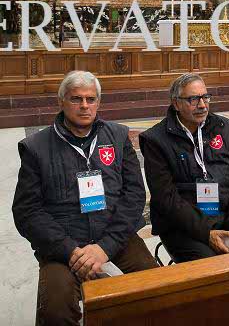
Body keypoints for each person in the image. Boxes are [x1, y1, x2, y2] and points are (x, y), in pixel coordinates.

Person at [13, 70, 157, 326]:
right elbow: (27, 212)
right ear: (61, 101)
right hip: (63, 245)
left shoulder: (118, 137)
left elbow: (134, 195)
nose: (84, 106)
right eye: (76, 99)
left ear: (98, 102)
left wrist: (105, 247)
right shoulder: (36, 147)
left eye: (91, 99)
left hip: (115, 235)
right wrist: (69, 251)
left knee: (158, 288)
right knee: (56, 311)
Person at [139, 73, 229, 263]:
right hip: (184, 228)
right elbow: (166, 199)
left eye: (205, 97)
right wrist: (206, 232)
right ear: (176, 103)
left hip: (228, 219)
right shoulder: (156, 140)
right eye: (193, 99)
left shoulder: (223, 127)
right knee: (214, 269)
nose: (202, 105)